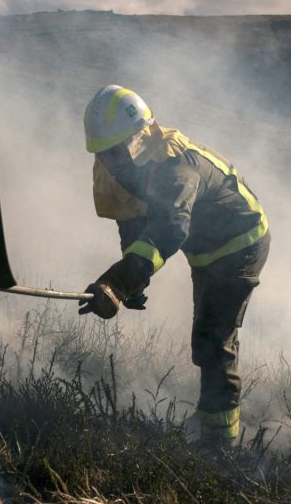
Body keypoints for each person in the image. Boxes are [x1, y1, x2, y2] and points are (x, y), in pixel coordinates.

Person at [78, 85, 270, 451]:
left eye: (116, 152)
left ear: (137, 139)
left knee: (214, 339)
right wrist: (132, 282)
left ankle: (220, 446)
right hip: (204, 247)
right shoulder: (119, 165)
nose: (111, 163)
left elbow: (170, 228)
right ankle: (212, 418)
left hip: (241, 242)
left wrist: (119, 282)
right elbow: (131, 218)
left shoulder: (176, 167)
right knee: (206, 334)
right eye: (104, 154)